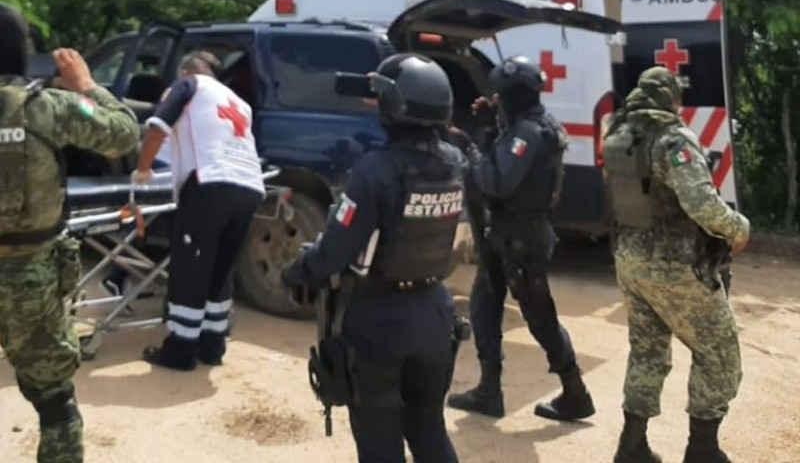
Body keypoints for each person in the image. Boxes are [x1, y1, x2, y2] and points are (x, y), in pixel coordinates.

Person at [282, 53, 462, 463]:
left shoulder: (375, 171)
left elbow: (334, 252)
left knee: (380, 440)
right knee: (428, 428)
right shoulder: (454, 162)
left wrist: (297, 272)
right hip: (434, 315)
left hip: (377, 323)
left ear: (394, 107)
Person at [0, 3, 140, 462]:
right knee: (55, 403)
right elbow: (123, 134)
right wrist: (86, 86)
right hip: (33, 278)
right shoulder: (49, 108)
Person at [602, 66, 750, 463]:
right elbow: (702, 205)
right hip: (673, 265)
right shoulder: (673, 140)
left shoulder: (616, 136)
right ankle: (702, 450)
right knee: (719, 353)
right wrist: (739, 229)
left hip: (629, 261)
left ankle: (631, 447)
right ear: (670, 100)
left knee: (647, 352)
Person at [447, 55, 595, 421]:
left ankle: (576, 393)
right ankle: (488, 391)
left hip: (522, 240)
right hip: (505, 236)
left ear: (512, 95)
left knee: (540, 318)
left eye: (498, 96)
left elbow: (497, 182)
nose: (494, 101)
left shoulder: (528, 133)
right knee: (484, 305)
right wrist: (490, 126)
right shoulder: (523, 126)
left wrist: (470, 147)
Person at [132, 50, 264, 371]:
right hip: (249, 185)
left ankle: (180, 350)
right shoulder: (238, 102)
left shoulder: (190, 85)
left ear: (185, 71)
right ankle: (212, 345)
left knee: (190, 268)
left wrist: (143, 171)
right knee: (221, 267)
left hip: (209, 184)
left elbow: (158, 127)